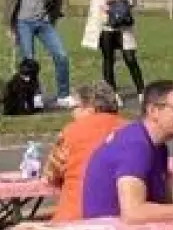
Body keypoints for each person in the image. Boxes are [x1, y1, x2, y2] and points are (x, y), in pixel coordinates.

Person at [81, 80, 173, 223]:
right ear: (153, 111)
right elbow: (133, 213)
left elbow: (164, 204)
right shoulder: (135, 146)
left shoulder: (158, 147)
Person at [3, 0, 71, 108]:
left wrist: (53, 16)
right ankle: (36, 96)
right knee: (28, 61)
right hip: (23, 23)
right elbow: (10, 0)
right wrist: (9, 26)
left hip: (44, 22)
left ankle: (63, 95)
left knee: (61, 56)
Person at [43, 82, 124, 222]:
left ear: (89, 107)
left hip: (76, 217)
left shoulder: (70, 132)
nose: (71, 113)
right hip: (121, 216)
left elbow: (51, 175)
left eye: (74, 107)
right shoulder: (131, 129)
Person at [79, 0, 143, 99]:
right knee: (108, 60)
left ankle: (141, 91)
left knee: (130, 58)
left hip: (123, 26)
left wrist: (121, 4)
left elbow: (134, 0)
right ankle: (113, 93)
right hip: (105, 26)